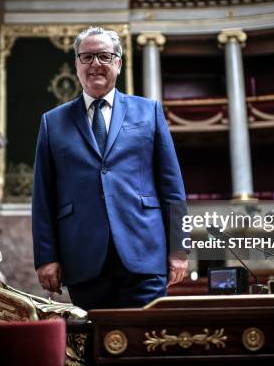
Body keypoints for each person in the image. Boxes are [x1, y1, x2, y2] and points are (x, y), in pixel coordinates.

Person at [32, 26, 188, 310]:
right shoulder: (52, 122)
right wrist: (46, 257)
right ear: (77, 64)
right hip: (83, 257)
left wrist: (178, 250)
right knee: (96, 347)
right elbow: (44, 196)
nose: (95, 65)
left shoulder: (149, 111)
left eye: (104, 56)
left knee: (145, 343)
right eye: (87, 57)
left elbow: (172, 187)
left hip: (144, 251)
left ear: (118, 62)